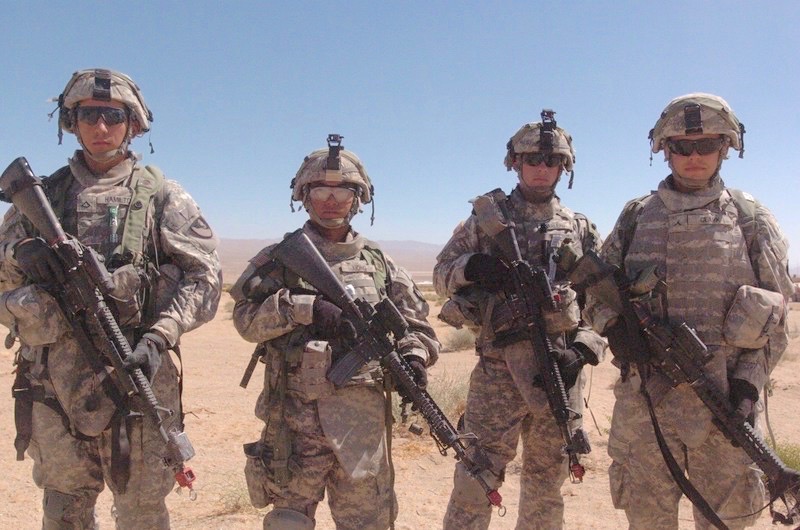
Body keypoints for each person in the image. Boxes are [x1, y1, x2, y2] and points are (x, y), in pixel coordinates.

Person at [0, 68, 222, 529]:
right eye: (88, 116)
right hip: (52, 388)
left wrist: (161, 335)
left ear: (133, 123)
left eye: (112, 116)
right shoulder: (41, 198)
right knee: (64, 510)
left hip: (137, 378)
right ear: (71, 122)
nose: (100, 127)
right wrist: (24, 260)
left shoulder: (162, 196)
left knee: (142, 513)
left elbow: (205, 278)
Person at [584, 93, 793, 529]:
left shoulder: (751, 219)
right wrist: (613, 326)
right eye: (682, 146)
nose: (693, 156)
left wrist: (748, 386)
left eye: (706, 145)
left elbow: (776, 317)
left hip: (723, 412)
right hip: (646, 410)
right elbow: (594, 292)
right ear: (664, 150)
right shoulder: (636, 217)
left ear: (726, 148)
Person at [231, 134, 439, 530]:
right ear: (303, 196)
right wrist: (302, 308)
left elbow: (418, 326)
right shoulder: (280, 261)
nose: (330, 201)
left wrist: (413, 355)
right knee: (288, 522)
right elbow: (245, 320)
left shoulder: (379, 263)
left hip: (360, 431)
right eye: (320, 191)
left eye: (342, 192)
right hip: (292, 428)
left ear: (358, 199)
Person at [434, 110, 605, 529]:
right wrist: (473, 266)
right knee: (477, 475)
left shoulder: (579, 228)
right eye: (533, 159)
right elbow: (442, 274)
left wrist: (585, 347)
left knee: (547, 482)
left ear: (564, 167)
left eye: (552, 161)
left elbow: (602, 299)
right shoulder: (486, 221)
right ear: (515, 163)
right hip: (498, 370)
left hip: (560, 371)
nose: (542, 168)